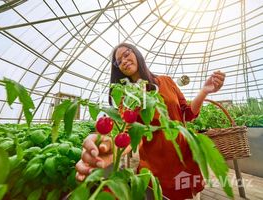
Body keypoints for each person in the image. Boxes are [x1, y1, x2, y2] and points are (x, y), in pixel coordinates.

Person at [75, 43, 225, 200]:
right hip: (157, 167)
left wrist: (204, 91)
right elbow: (130, 133)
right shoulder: (127, 97)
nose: (124, 61)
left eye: (126, 54)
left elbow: (187, 114)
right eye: (119, 61)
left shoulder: (166, 82)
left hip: (186, 158)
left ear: (137, 54)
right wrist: (109, 147)